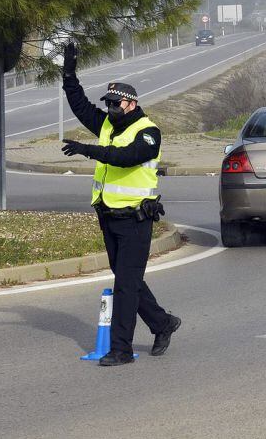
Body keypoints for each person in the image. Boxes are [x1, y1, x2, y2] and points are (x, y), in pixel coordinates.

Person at [60, 43, 181, 366]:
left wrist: (88, 151)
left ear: (131, 103)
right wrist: (68, 72)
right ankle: (162, 323)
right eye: (108, 103)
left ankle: (121, 349)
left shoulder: (149, 133)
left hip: (136, 219)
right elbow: (79, 105)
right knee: (127, 278)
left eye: (116, 103)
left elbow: (127, 159)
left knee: (125, 286)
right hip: (108, 215)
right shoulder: (107, 125)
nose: (110, 108)